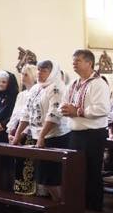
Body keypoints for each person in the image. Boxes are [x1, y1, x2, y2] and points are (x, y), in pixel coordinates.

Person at [59, 50, 111, 213]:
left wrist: (78, 111)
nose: (74, 63)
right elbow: (64, 103)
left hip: (93, 135)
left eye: (78, 60)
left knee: (92, 173)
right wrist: (64, 109)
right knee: (76, 172)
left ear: (89, 63)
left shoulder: (99, 83)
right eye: (73, 60)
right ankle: (79, 209)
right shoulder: (73, 84)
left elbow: (103, 108)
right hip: (75, 133)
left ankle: (95, 211)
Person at [12, 59, 70, 201]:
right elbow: (26, 113)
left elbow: (54, 114)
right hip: (39, 136)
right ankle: (57, 205)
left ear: (52, 72)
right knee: (43, 178)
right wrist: (17, 135)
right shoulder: (35, 88)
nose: (39, 73)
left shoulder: (57, 88)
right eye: (38, 70)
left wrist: (42, 136)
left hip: (55, 137)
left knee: (50, 178)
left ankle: (63, 206)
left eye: (44, 70)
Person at [8, 64, 38, 196]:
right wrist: (10, 131)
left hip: (29, 134)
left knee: (28, 167)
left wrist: (21, 134)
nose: (23, 77)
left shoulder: (37, 92)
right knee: (18, 166)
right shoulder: (21, 95)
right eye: (22, 74)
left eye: (26, 74)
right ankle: (18, 194)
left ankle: (30, 195)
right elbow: (15, 114)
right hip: (17, 133)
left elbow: (32, 117)